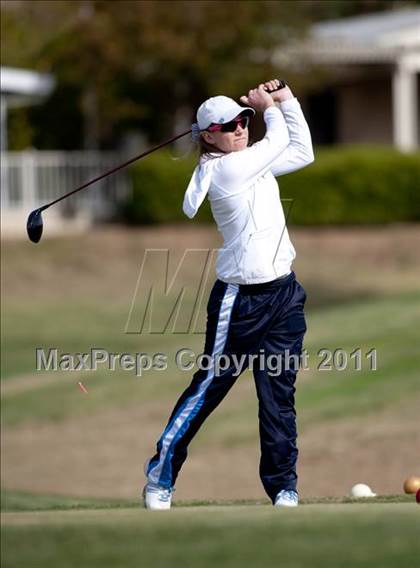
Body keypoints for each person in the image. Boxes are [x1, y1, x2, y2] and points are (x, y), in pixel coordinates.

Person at [143, 79, 314, 510]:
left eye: (243, 120)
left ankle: (283, 488)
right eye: (230, 125)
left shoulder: (252, 163)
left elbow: (302, 152)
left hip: (284, 296)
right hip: (240, 302)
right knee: (209, 389)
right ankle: (160, 478)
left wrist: (287, 100)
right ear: (208, 136)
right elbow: (277, 139)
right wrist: (268, 106)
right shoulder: (227, 169)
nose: (240, 128)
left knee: (278, 397)